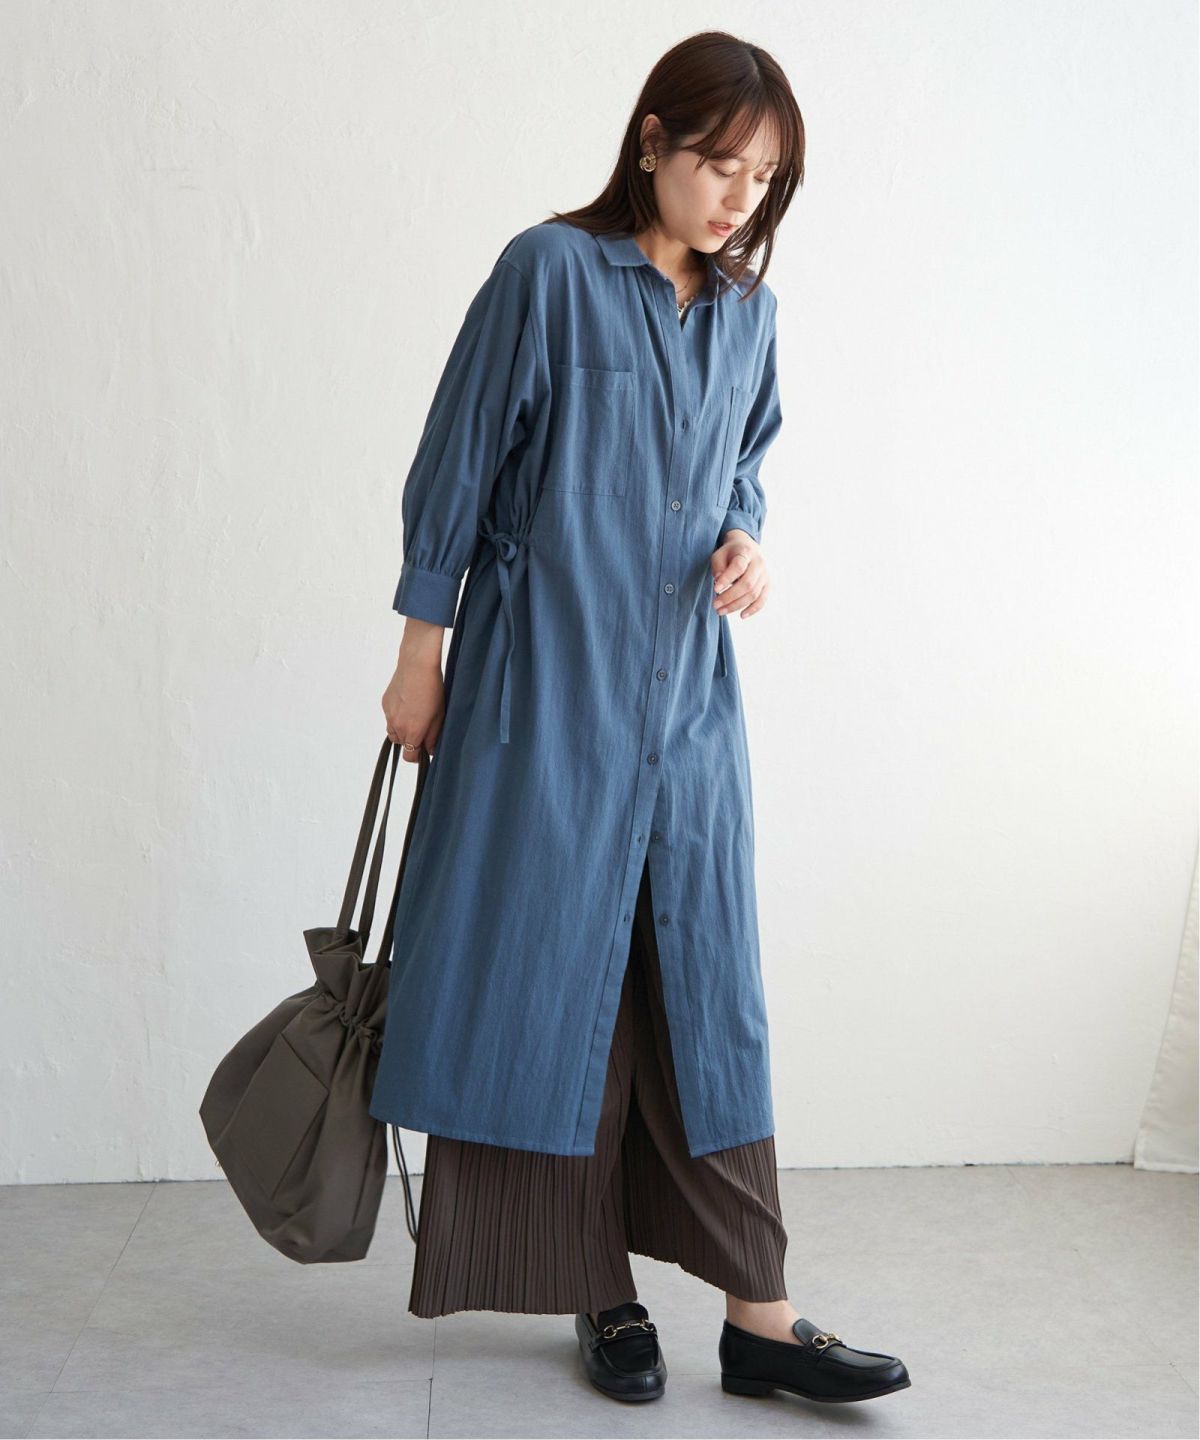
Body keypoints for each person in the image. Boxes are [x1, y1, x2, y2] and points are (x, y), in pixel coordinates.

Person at [371, 29, 911, 1407]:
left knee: (705, 992)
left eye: (765, 178)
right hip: (542, 694)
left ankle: (760, 1316)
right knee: (562, 983)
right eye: (721, 163)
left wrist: (748, 542)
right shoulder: (548, 273)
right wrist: (420, 655)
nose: (740, 197)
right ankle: (597, 1291)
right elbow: (456, 464)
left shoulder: (749, 315)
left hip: (687, 712)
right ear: (653, 140)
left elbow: (743, 472)